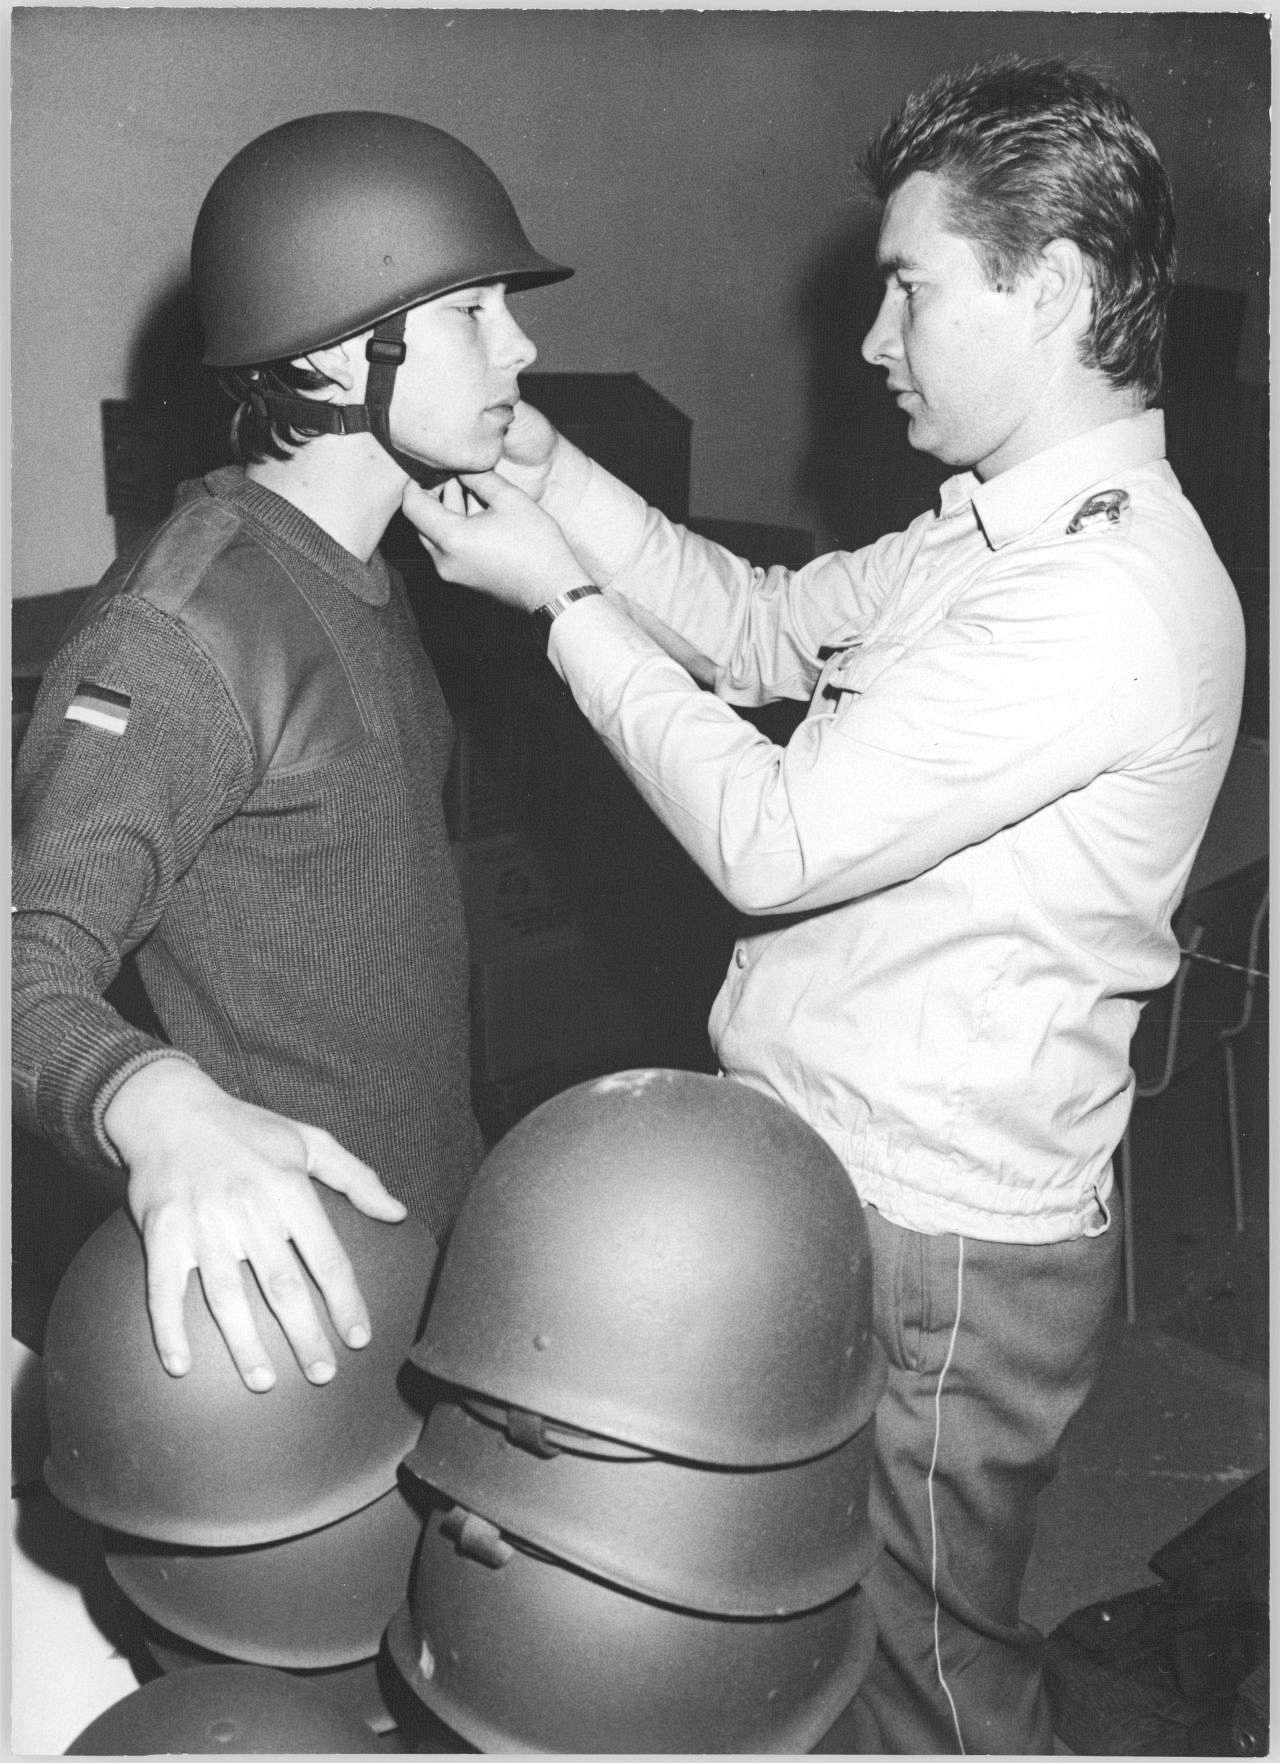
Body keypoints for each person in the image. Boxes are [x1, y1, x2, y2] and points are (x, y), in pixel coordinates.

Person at [399, 58, 1246, 1755]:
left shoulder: (1105, 594)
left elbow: (775, 839)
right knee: (797, 1610)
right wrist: (543, 459)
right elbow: (761, 625)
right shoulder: (991, 534)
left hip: (945, 1232)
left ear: (1059, 290)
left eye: (912, 288)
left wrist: (559, 604)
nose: (873, 337)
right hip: (839, 1161)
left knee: (925, 1666)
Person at [12, 111, 570, 1395]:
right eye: (473, 311)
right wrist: (147, 1102)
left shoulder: (357, 567)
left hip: (427, 1221)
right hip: (300, 1290)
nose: (521, 343)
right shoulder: (185, 629)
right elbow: (23, 963)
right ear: (334, 353)